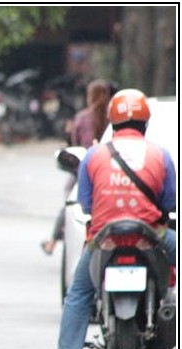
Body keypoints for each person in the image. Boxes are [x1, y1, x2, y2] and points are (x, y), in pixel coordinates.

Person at [44, 89, 177, 349]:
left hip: (105, 237)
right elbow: (170, 203)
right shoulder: (160, 154)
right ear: (145, 122)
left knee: (78, 294)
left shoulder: (94, 154)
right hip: (151, 233)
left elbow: (86, 205)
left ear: (112, 122)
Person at [41, 79, 114, 255]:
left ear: (90, 96)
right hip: (110, 170)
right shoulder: (112, 118)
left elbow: (73, 143)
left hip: (85, 169)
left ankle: (52, 242)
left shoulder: (82, 118)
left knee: (71, 203)